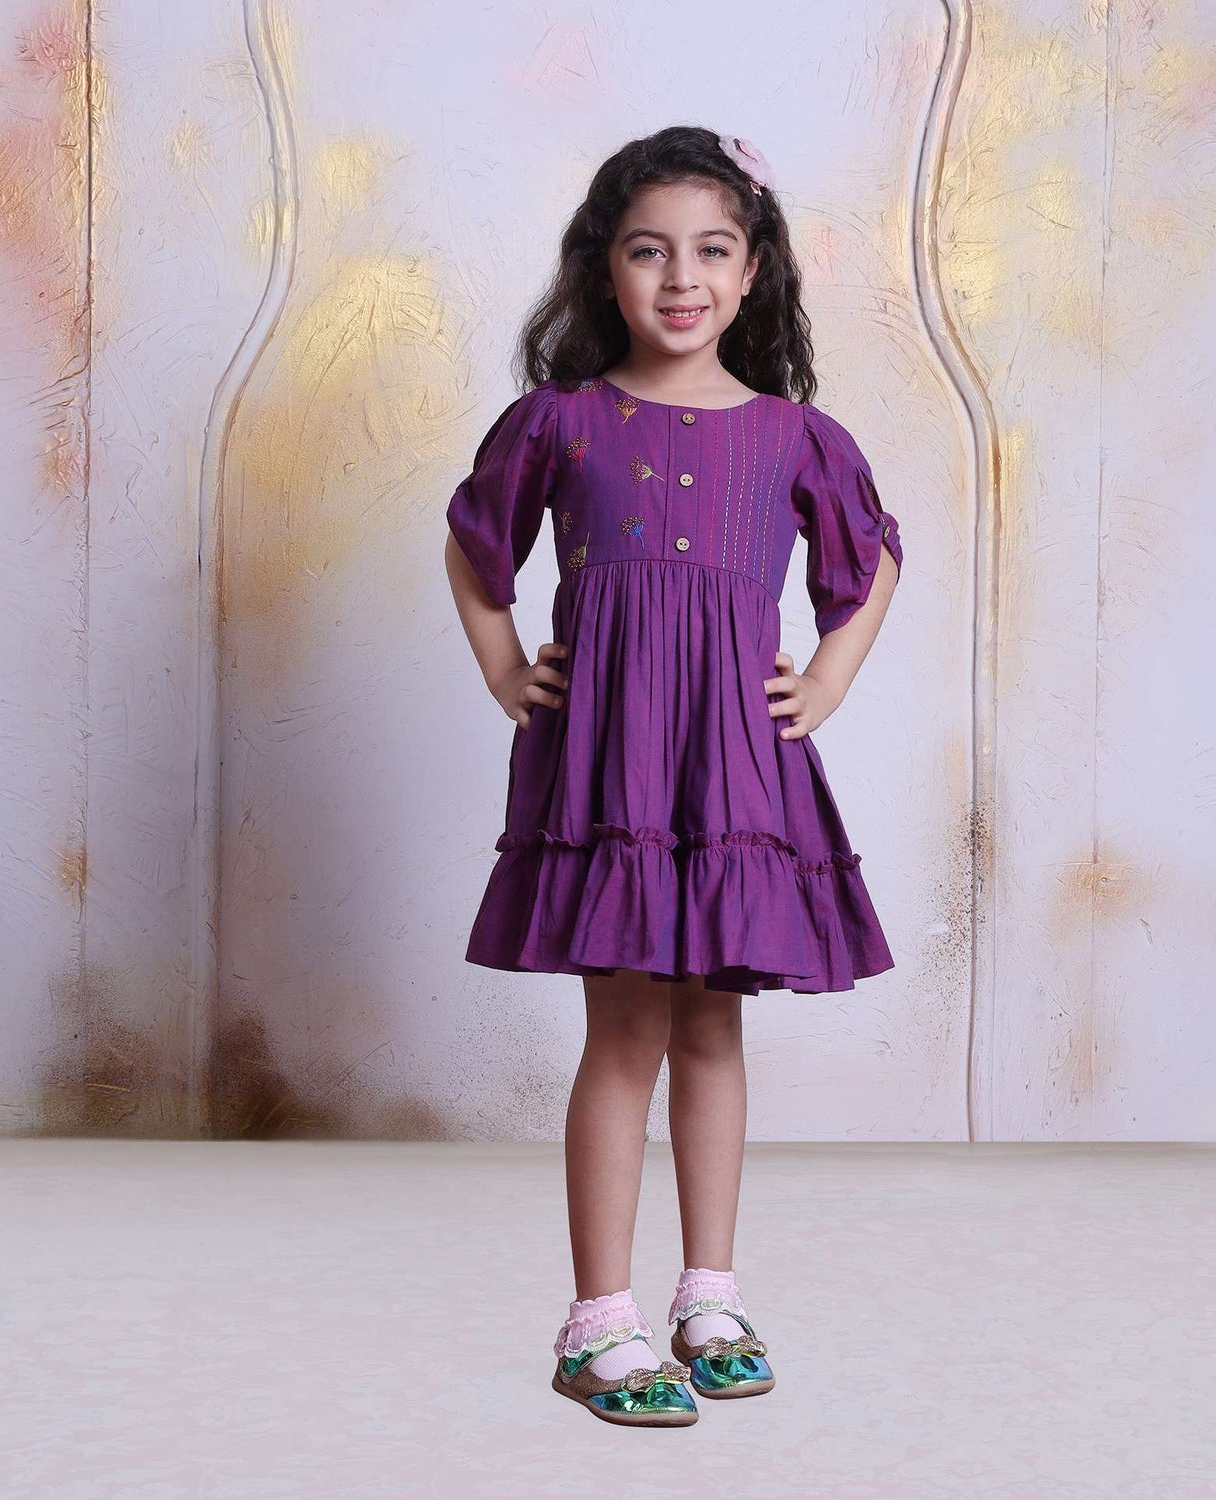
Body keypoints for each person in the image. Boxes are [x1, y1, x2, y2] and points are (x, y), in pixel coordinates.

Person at [444, 125, 904, 1427]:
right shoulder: (562, 422)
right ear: (606, 272)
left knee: (713, 1022)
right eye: (650, 251)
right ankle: (601, 1326)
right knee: (626, 1029)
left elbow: (871, 570)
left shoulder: (793, 437)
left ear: (752, 272)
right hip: (612, 764)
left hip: (734, 766)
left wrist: (824, 680)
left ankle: (710, 1297)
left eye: (711, 250)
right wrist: (499, 666)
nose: (682, 277)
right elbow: (476, 544)